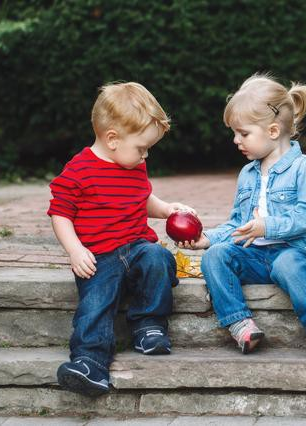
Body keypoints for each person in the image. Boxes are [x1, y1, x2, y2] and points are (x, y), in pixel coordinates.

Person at [178, 73, 306, 358]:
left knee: (287, 265)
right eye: (235, 133)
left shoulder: (303, 168)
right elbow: (238, 224)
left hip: (295, 253)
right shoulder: (248, 174)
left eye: (243, 133)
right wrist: (208, 239)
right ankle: (240, 323)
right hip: (256, 256)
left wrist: (268, 227)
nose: (235, 140)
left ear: (273, 132)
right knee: (216, 257)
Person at [48, 82, 196, 395]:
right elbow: (60, 213)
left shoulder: (134, 167)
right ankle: (90, 361)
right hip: (98, 255)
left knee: (160, 259)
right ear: (113, 139)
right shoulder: (79, 170)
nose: (145, 156)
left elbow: (142, 199)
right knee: (96, 301)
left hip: (137, 246)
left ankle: (149, 325)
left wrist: (168, 209)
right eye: (142, 148)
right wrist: (75, 251)